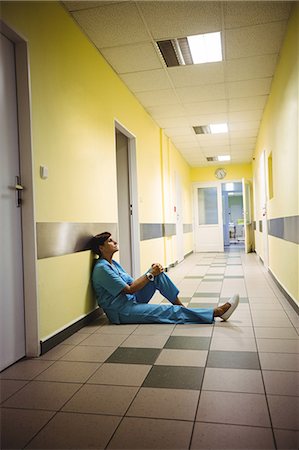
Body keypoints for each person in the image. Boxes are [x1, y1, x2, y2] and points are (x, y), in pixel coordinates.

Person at [91, 232, 239, 325]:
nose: (115, 242)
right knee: (166, 311)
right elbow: (130, 290)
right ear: (101, 248)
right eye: (110, 241)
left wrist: (151, 273)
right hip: (122, 310)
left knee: (158, 276)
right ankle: (216, 312)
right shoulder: (102, 268)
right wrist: (149, 274)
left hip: (131, 300)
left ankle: (181, 307)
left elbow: (132, 283)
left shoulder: (113, 263)